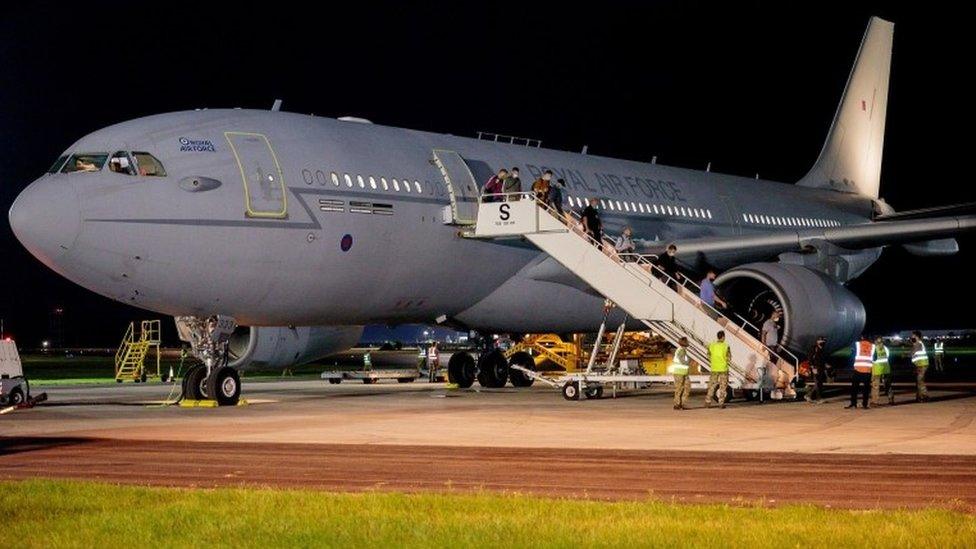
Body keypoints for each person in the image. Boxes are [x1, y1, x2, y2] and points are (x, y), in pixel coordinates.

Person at [847, 335, 874, 409]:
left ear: (861, 338)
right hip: (867, 371)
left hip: (858, 370)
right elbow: (875, 357)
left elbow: (852, 356)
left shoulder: (857, 345)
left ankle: (853, 404)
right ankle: (864, 405)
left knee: (854, 389)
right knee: (866, 389)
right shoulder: (872, 346)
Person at [705, 331, 731, 408]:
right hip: (723, 368)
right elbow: (729, 358)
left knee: (712, 385)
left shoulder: (712, 345)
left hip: (714, 368)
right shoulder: (726, 346)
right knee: (722, 386)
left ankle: (707, 401)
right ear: (723, 337)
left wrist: (714, 361)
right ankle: (721, 403)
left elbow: (708, 355)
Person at [668, 337, 692, 410]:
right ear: (684, 342)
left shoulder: (682, 350)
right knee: (680, 388)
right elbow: (682, 361)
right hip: (679, 372)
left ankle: (681, 403)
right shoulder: (681, 351)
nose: (688, 342)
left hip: (683, 372)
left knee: (685, 387)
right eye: (687, 341)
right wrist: (688, 362)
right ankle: (677, 404)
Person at [804, 336, 827, 403]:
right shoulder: (814, 348)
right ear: (817, 341)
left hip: (821, 367)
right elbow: (810, 358)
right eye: (822, 341)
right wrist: (813, 367)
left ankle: (809, 396)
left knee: (819, 383)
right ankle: (818, 398)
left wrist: (826, 365)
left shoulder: (822, 349)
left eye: (824, 341)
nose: (823, 342)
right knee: (818, 383)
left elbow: (822, 359)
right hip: (815, 368)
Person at [871, 336, 893, 406]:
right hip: (886, 368)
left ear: (874, 341)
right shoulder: (885, 348)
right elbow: (888, 357)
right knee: (887, 385)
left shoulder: (873, 348)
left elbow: (872, 359)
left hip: (877, 369)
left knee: (875, 386)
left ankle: (875, 401)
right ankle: (891, 399)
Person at [910, 331, 929, 402]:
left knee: (920, 380)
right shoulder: (918, 344)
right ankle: (919, 396)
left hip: (922, 365)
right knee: (918, 381)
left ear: (917, 337)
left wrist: (906, 354)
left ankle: (924, 396)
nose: (911, 337)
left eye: (913, 336)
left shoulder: (918, 344)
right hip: (919, 364)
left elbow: (912, 352)